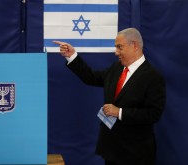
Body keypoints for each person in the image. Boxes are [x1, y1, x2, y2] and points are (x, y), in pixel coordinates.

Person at [53, 28, 166, 165]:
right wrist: (72, 56)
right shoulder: (116, 68)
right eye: (115, 47)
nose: (116, 52)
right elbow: (92, 77)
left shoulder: (153, 76)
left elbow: (153, 114)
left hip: (136, 153)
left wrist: (119, 112)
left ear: (134, 45)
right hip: (112, 150)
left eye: (120, 47)